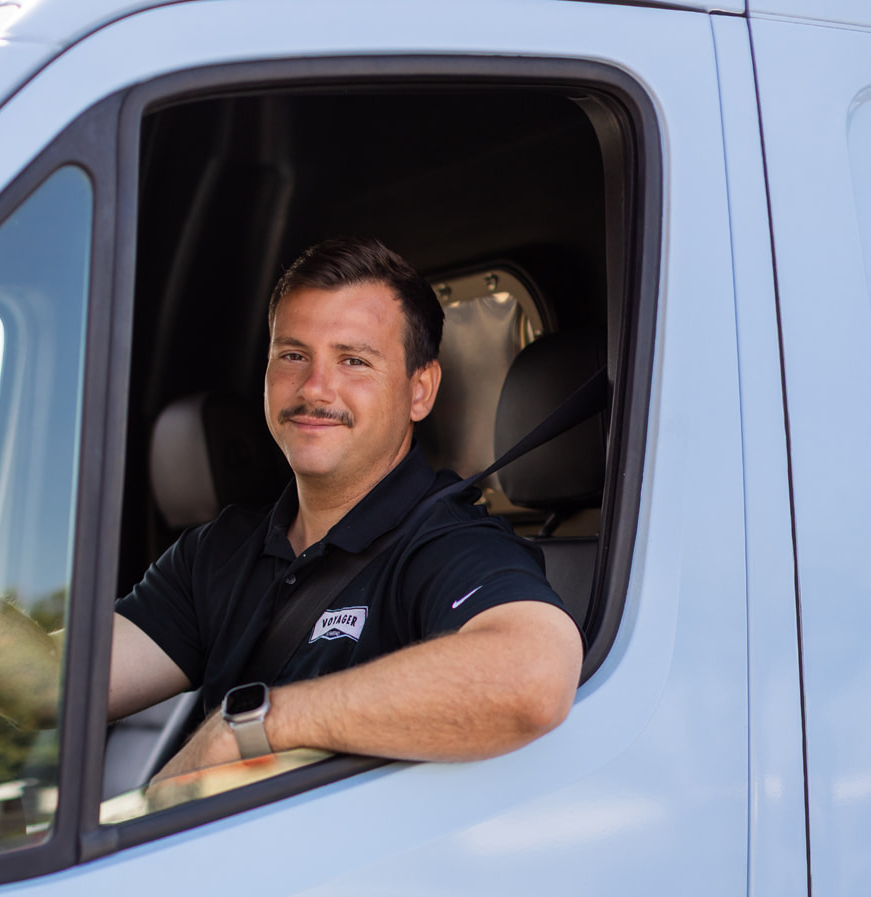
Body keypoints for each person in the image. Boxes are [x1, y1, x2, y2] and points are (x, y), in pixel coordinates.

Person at [110, 237, 583, 778]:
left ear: (420, 391)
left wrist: (247, 729)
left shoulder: (449, 544)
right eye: (293, 355)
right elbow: (56, 683)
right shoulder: (218, 549)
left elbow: (533, 677)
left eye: (354, 361)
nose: (314, 388)